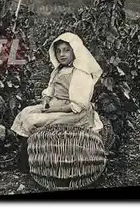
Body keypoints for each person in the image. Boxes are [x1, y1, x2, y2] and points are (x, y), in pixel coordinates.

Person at [11, 32, 104, 171]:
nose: (62, 54)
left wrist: (53, 109)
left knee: (32, 120)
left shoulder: (80, 73)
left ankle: (25, 160)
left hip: (73, 112)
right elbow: (51, 89)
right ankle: (27, 150)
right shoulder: (59, 70)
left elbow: (77, 104)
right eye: (58, 51)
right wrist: (46, 101)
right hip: (56, 104)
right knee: (25, 112)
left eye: (67, 50)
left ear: (75, 51)